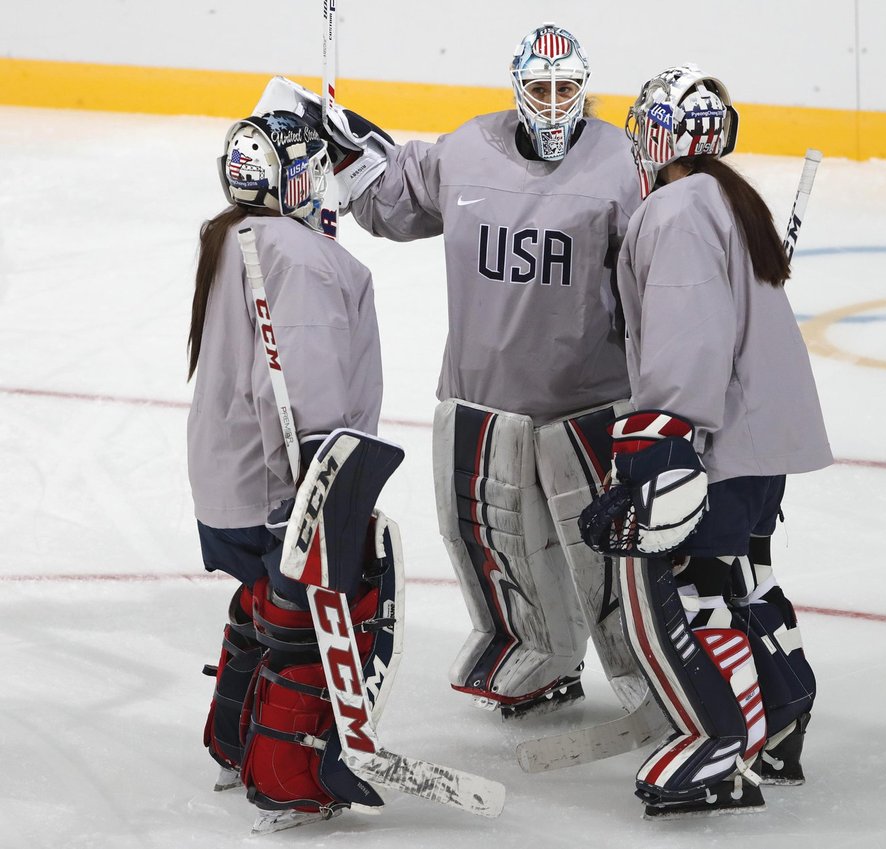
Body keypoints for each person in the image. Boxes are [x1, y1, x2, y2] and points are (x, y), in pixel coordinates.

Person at [253, 22, 647, 718]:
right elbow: (390, 202)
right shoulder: (468, 149)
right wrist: (335, 147)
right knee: (492, 538)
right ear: (516, 86)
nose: (552, 103)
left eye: (565, 88)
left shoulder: (623, 161)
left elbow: (660, 264)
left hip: (590, 401)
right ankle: (539, 651)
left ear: (584, 89)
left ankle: (648, 668)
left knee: (608, 552)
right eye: (538, 87)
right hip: (481, 396)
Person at [580, 64, 832, 817]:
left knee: (691, 588)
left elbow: (690, 337)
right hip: (760, 439)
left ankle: (722, 743)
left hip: (715, 439)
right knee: (745, 576)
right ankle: (783, 706)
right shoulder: (725, 195)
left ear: (660, 134)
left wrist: (661, 442)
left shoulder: (681, 208)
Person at [187, 110, 399, 834]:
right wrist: (319, 490)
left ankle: (232, 740)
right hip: (282, 485)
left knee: (263, 603)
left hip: (228, 480)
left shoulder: (234, 236)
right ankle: (288, 775)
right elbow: (300, 386)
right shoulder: (304, 258)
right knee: (313, 615)